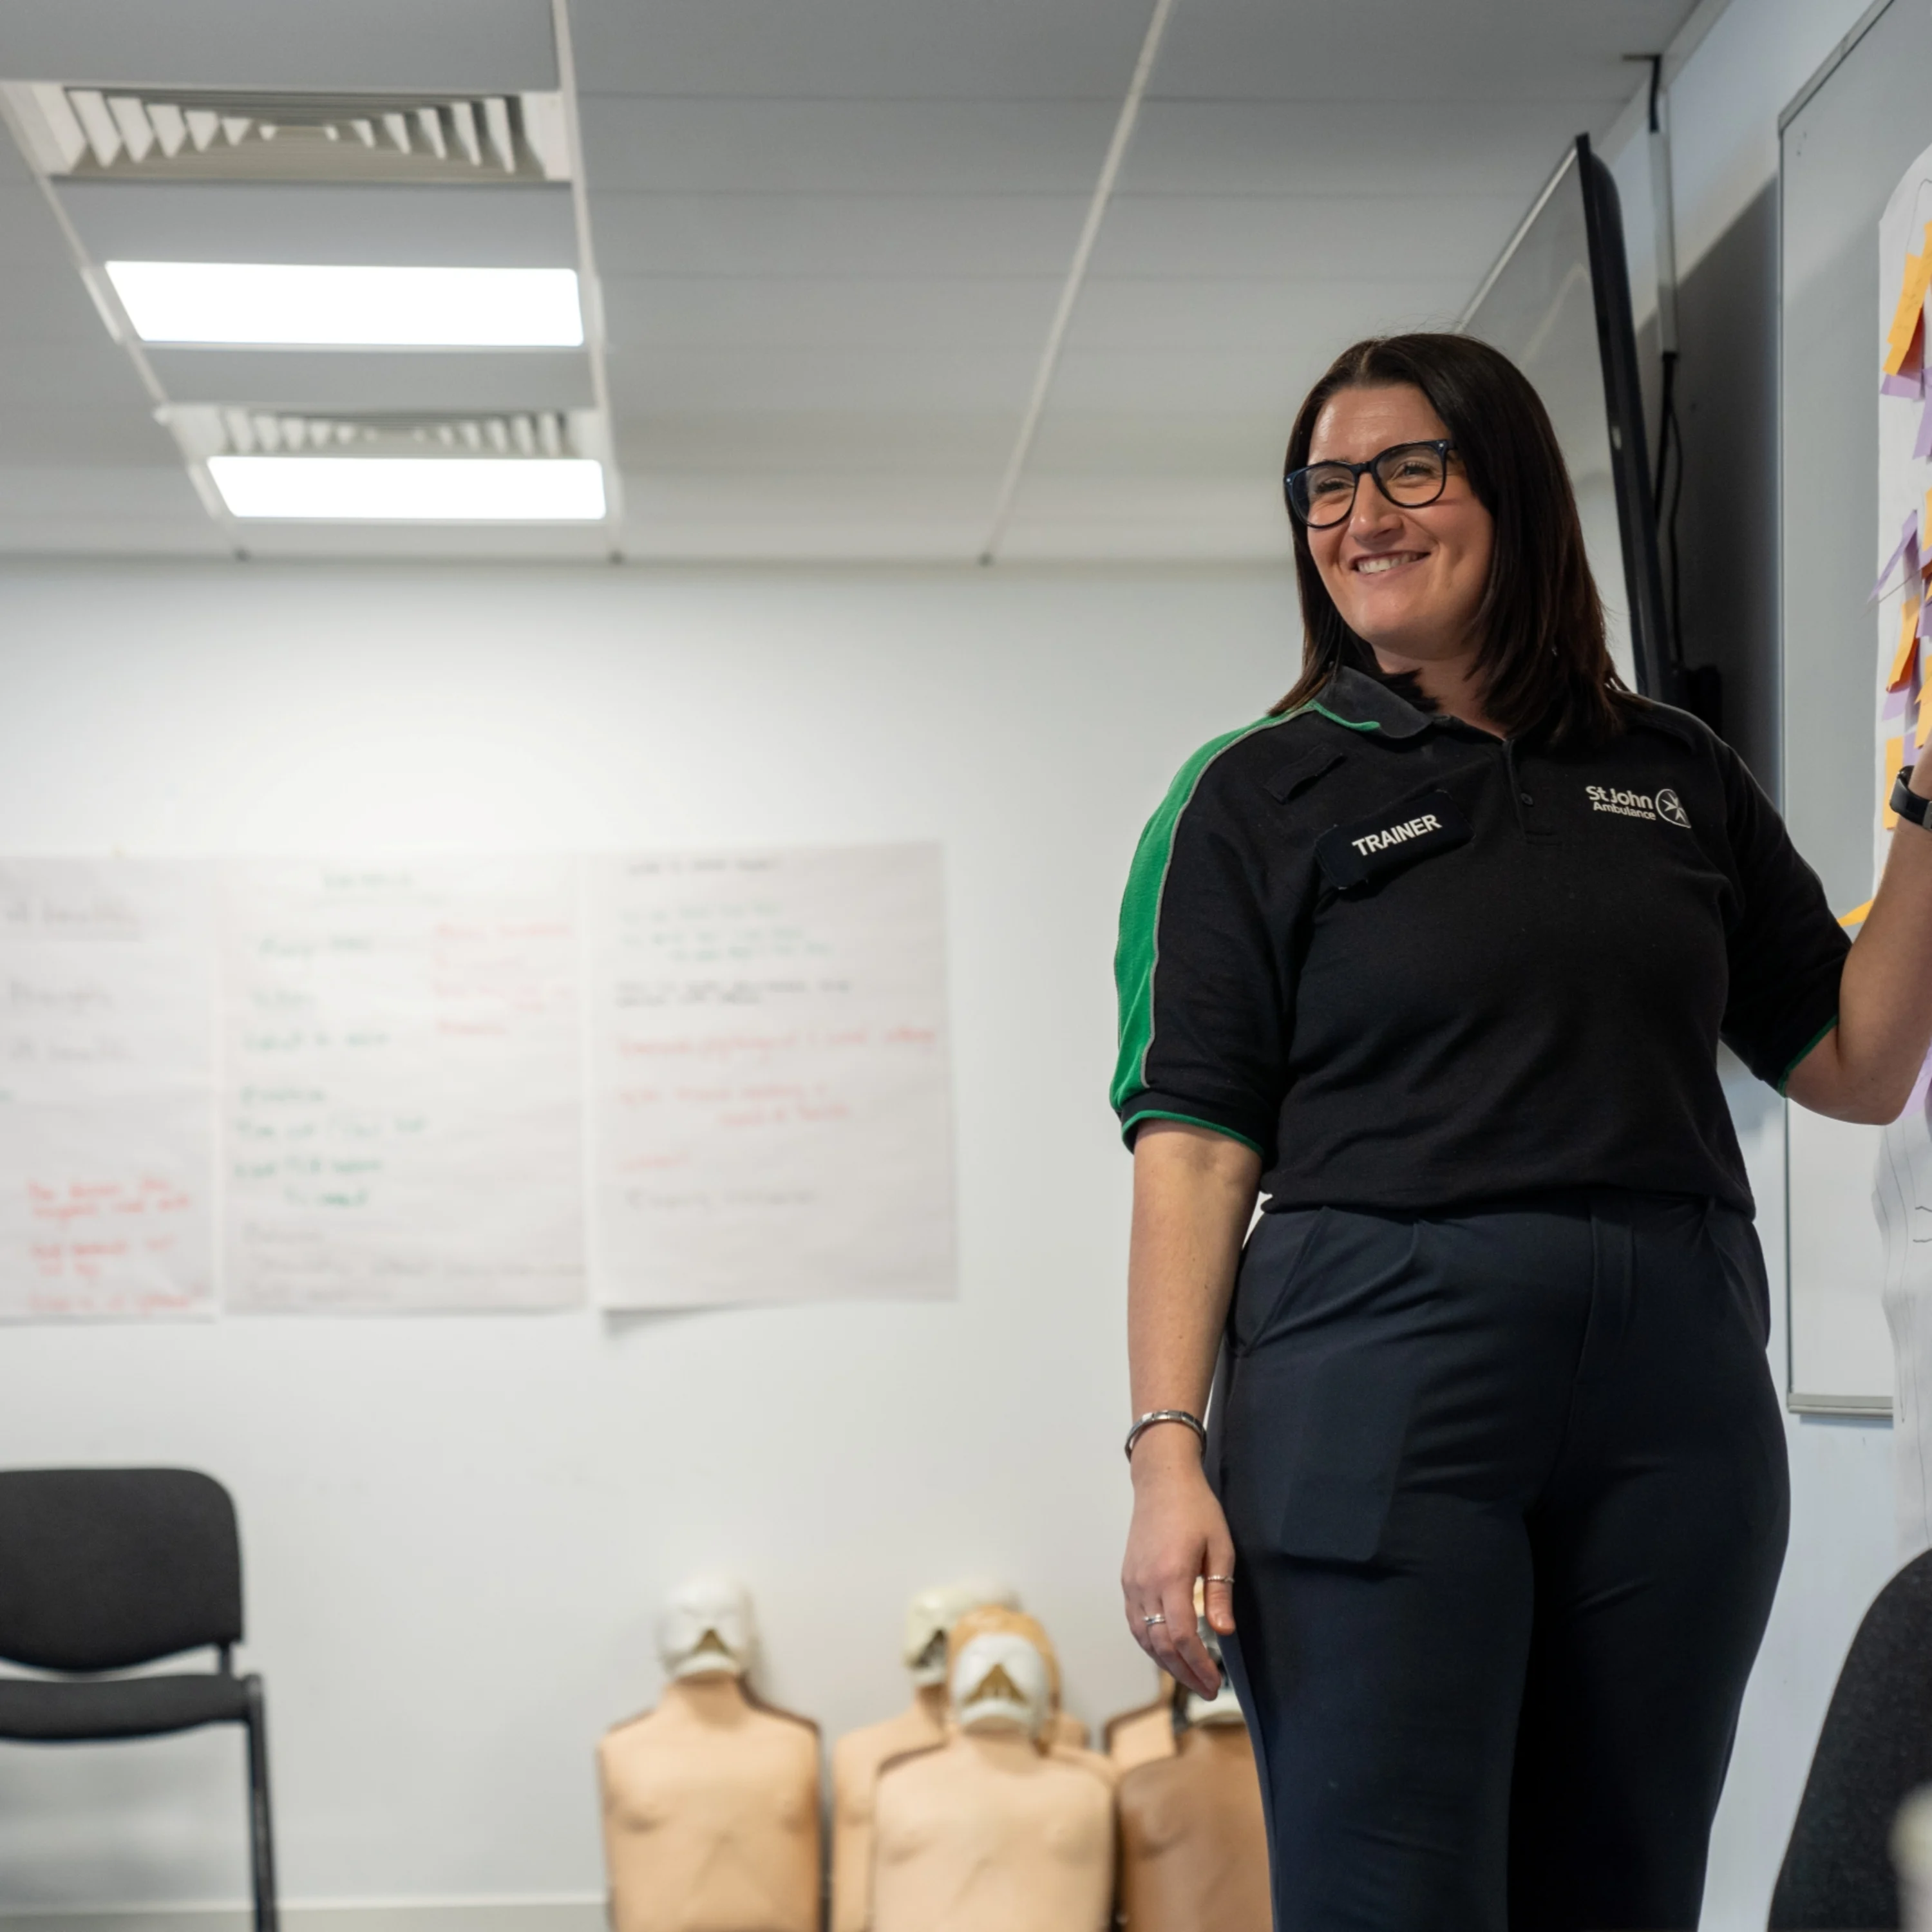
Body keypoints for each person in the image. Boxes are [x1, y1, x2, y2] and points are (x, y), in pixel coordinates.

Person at [1112, 332, 1932, 1931]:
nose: (1364, 515)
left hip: (1674, 1385)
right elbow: (1197, 1145)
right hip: (1378, 1365)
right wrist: (1167, 1457)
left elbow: (1857, 1058)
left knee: (1624, 1894)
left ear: (1517, 496)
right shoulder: (1252, 796)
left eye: (1409, 469)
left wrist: (1927, 812)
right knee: (1395, 1899)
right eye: (1326, 487)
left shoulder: (1673, 772)